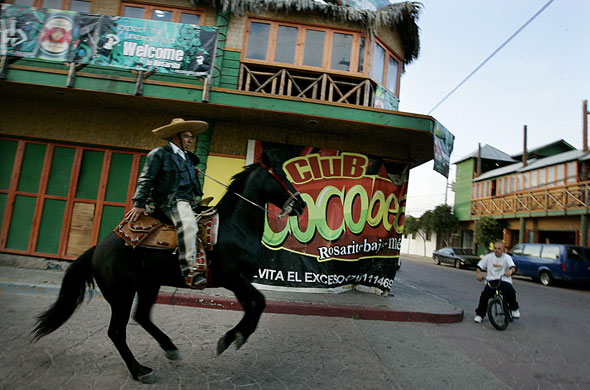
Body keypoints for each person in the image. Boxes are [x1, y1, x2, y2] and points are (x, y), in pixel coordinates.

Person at [126, 118, 208, 289]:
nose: (190, 140)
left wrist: (194, 174)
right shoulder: (159, 154)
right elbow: (146, 179)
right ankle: (190, 271)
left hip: (189, 202)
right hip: (171, 202)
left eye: (191, 137)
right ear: (175, 136)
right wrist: (139, 203)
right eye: (186, 136)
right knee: (189, 225)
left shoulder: (189, 159)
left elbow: (185, 181)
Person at [474, 241, 520, 323]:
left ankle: (514, 309)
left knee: (510, 291)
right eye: (495, 248)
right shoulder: (488, 257)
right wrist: (478, 274)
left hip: (504, 280)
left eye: (499, 249)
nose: (496, 250)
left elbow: (513, 267)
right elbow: (479, 266)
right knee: (484, 295)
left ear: (503, 250)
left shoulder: (507, 257)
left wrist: (510, 271)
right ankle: (480, 315)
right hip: (491, 280)